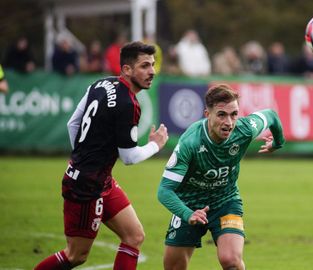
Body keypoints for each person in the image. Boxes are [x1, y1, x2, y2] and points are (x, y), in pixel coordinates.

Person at [34, 41, 169, 270]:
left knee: (134, 236)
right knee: (75, 256)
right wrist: (155, 146)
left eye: (153, 65)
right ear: (127, 69)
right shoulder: (128, 103)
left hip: (97, 178)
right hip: (87, 185)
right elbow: (129, 157)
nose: (152, 72)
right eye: (145, 66)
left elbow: (72, 123)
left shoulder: (100, 83)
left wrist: (82, 157)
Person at [157, 84, 285, 270]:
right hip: (189, 205)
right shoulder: (190, 142)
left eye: (234, 114)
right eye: (222, 115)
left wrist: (278, 143)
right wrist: (187, 213)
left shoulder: (245, 129)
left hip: (226, 201)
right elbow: (164, 190)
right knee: (173, 267)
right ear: (207, 115)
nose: (229, 122)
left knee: (230, 261)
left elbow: (271, 116)